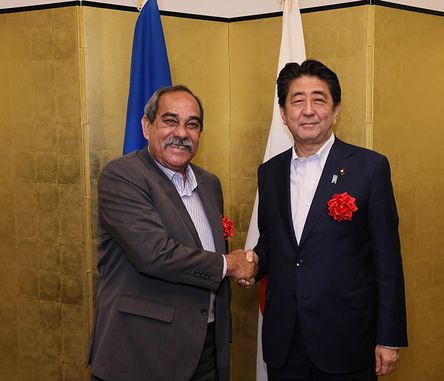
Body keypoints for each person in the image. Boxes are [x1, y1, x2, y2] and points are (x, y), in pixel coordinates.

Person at [88, 85, 256, 381]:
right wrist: (231, 265)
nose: (182, 132)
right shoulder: (123, 176)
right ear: (146, 126)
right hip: (142, 352)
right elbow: (155, 254)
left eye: (192, 124)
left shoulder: (209, 183)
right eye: (170, 120)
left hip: (204, 349)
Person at [254, 60, 407, 381]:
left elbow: (388, 261)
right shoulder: (269, 172)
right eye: (297, 101)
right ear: (283, 113)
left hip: (347, 339)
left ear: (335, 110)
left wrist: (389, 337)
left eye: (319, 99)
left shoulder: (370, 168)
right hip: (285, 341)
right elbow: (272, 242)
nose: (308, 110)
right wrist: (250, 264)